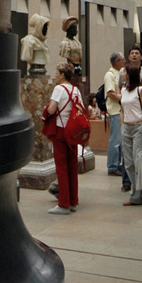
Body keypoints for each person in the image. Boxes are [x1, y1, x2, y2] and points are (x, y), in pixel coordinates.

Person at [45, 63, 84, 214]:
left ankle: (63, 204)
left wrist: (46, 110)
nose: (55, 75)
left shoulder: (59, 89)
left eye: (56, 72)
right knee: (72, 167)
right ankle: (74, 201)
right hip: (73, 132)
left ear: (62, 74)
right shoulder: (76, 90)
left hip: (60, 130)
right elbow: (81, 109)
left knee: (61, 167)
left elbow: (51, 109)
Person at [120, 61, 142, 207]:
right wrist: (122, 125)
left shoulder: (140, 90)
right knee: (128, 163)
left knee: (140, 161)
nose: (122, 74)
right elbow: (122, 109)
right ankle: (135, 194)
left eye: (124, 72)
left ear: (130, 75)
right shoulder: (123, 90)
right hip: (126, 128)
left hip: (138, 126)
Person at [104, 52, 125, 180]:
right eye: (122, 60)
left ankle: (119, 164)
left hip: (122, 111)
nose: (125, 61)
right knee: (115, 140)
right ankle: (112, 166)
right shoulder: (110, 75)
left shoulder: (121, 73)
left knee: (121, 140)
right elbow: (110, 93)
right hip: (115, 111)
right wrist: (123, 99)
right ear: (116, 62)